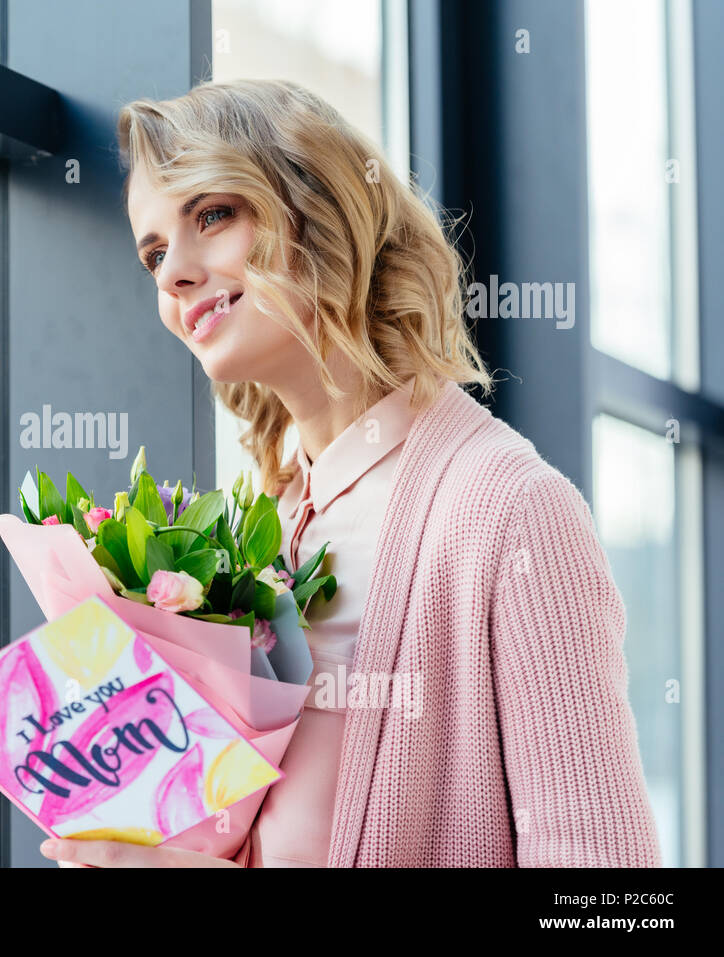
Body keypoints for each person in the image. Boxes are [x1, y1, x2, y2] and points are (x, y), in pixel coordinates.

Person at [39, 78, 661, 868]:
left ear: (319, 205)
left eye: (212, 215)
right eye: (154, 252)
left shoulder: (510, 512)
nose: (172, 275)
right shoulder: (259, 526)